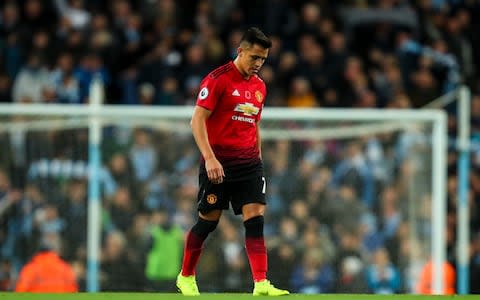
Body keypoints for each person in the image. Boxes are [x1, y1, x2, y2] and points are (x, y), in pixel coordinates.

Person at [176, 27, 289, 296]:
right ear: (240, 51)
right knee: (208, 222)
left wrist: (258, 156)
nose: (258, 64)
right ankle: (186, 276)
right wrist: (210, 158)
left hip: (249, 164)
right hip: (218, 164)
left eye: (263, 59)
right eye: (254, 57)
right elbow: (197, 121)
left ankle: (261, 283)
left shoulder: (260, 86)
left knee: (255, 219)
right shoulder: (217, 80)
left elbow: (254, 123)